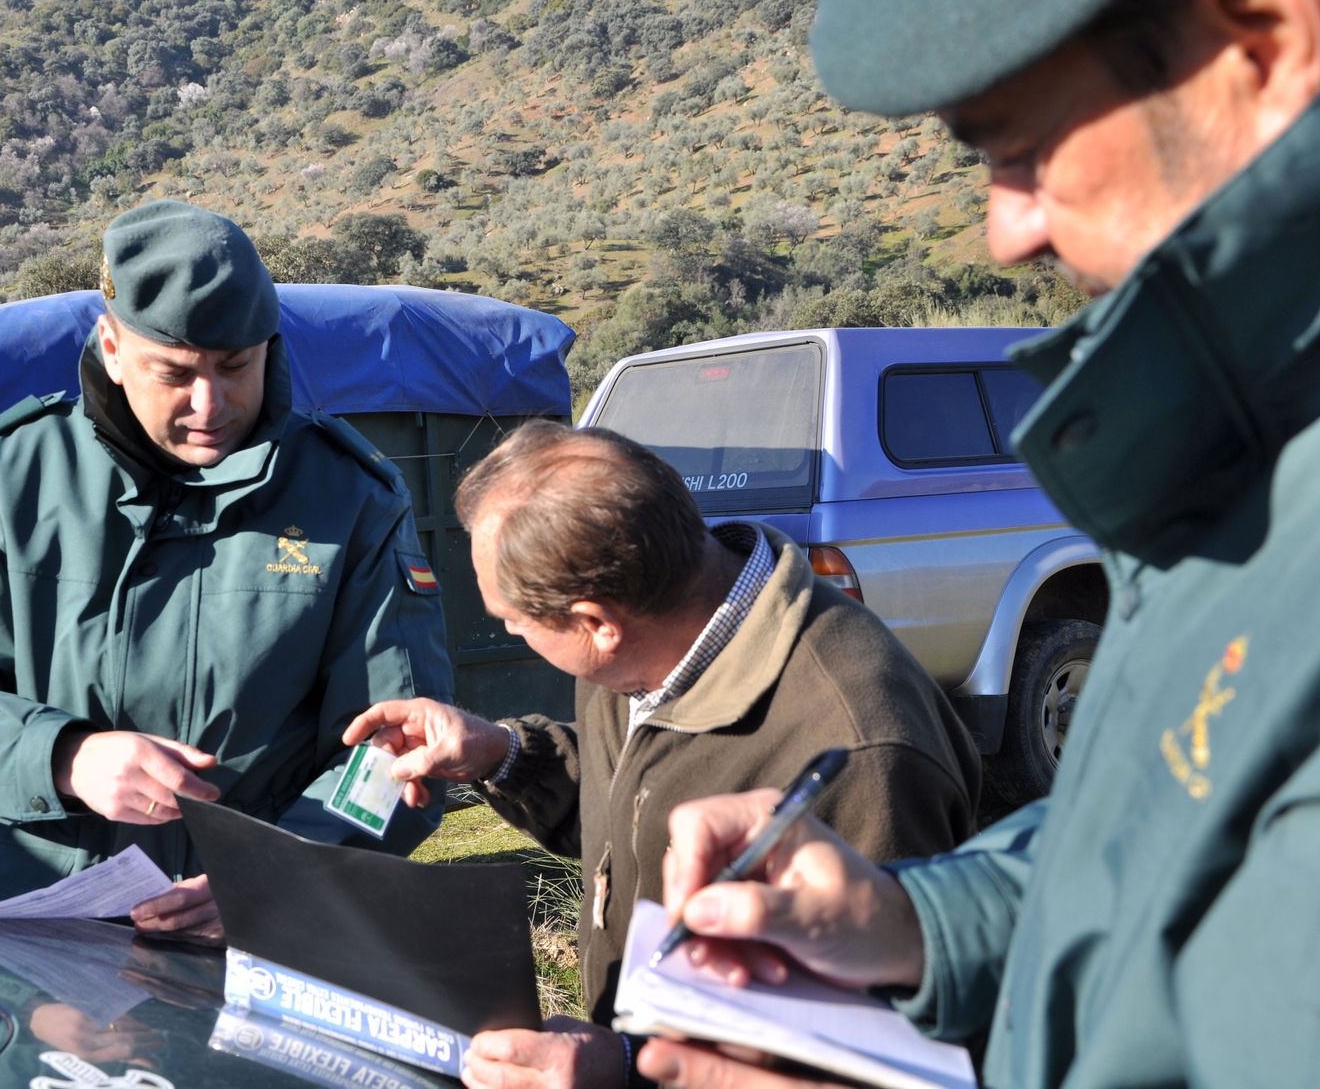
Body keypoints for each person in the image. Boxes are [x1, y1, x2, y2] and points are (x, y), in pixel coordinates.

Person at [635, 0, 1320, 1086]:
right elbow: (1156, 842)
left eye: (1022, 149)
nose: (1006, 231)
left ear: (1261, 37)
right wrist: (914, 919)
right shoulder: (1250, 458)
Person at [0, 199, 454, 928]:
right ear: (112, 348)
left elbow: (400, 752)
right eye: (174, 373)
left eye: (236, 367)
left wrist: (279, 875)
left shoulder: (350, 495)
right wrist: (66, 758)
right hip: (49, 932)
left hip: (267, 934)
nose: (210, 404)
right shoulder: (6, 479)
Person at [343, 421, 979, 1089]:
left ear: (596, 625)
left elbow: (883, 1059)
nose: (510, 631)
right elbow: (637, 800)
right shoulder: (658, 622)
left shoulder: (863, 752)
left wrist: (626, 1069)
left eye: (514, 622)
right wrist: (500, 755)